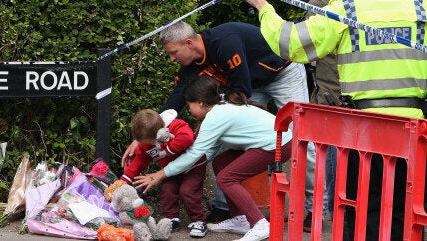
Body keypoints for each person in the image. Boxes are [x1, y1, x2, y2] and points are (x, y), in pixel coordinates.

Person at [239, 0, 427, 240]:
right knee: (407, 214)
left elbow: (290, 43)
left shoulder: (345, 9)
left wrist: (262, 7)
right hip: (417, 130)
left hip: (367, 131)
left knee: (361, 210)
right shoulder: (420, 5)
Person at [120, 21, 310, 224]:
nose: (172, 58)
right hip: (249, 82)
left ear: (189, 43)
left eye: (174, 52)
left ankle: (312, 209)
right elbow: (175, 101)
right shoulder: (189, 67)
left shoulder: (225, 43)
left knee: (305, 139)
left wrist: (210, 123)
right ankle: (226, 209)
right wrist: (145, 136)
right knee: (221, 152)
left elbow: (241, 91)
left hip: (280, 72)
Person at [134, 75, 293, 241]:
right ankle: (240, 219)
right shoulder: (219, 110)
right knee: (220, 163)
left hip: (277, 144)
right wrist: (181, 170)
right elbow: (205, 154)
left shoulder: (215, 116)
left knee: (226, 178)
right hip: (276, 140)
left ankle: (260, 224)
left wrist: (160, 175)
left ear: (201, 103)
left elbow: (195, 153)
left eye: (189, 105)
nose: (189, 110)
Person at [302, 0, 358, 230]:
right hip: (365, 94)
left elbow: (299, 44)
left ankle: (338, 218)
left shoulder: (324, 1)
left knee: (337, 157)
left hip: (334, 95)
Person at [121, 108, 209, 237]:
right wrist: (124, 181)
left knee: (188, 191)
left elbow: (187, 138)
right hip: (170, 171)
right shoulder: (146, 144)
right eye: (146, 143)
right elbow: (139, 160)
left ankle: (199, 220)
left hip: (193, 167)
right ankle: (172, 219)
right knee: (167, 190)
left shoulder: (176, 125)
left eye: (151, 141)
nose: (150, 145)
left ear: (161, 129)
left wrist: (167, 150)